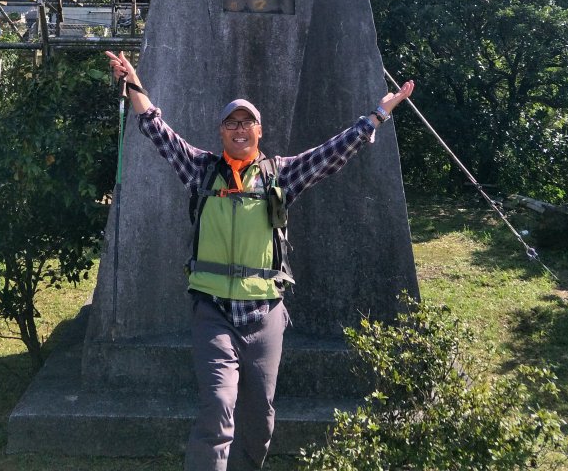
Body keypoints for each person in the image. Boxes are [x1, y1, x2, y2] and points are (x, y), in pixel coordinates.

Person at [105, 49, 414, 471]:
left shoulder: (278, 174)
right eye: (231, 122)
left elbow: (332, 153)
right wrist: (134, 81)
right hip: (213, 310)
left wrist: (378, 114)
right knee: (217, 405)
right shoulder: (202, 170)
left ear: (259, 131)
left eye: (247, 122)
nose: (239, 129)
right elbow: (157, 130)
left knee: (260, 417)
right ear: (220, 132)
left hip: (265, 311)